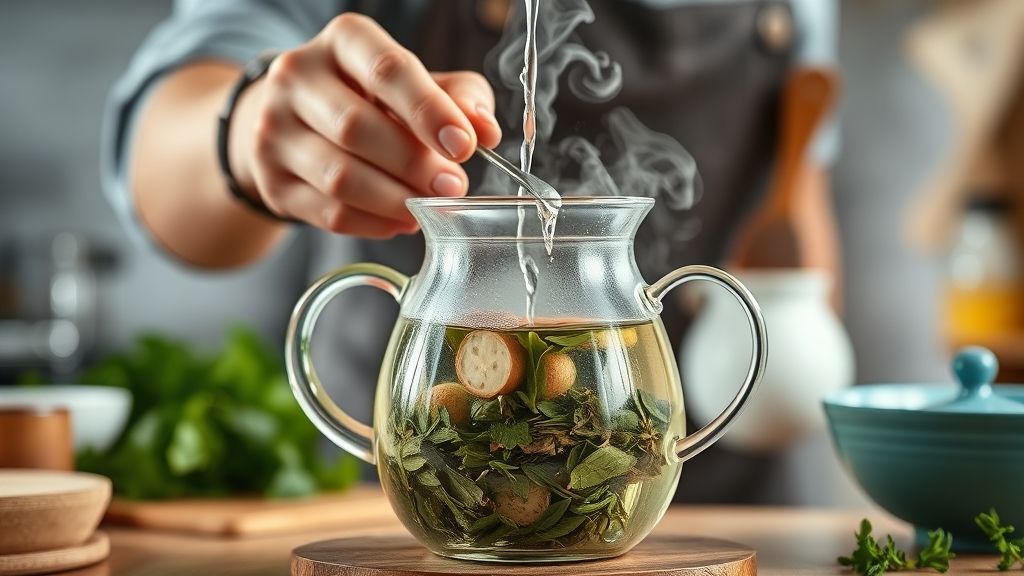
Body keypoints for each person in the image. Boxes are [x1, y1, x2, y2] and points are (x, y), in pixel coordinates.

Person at [104, 0, 839, 503]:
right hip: (419, 510)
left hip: (733, 512)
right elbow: (167, 133)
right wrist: (247, 130)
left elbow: (797, 196)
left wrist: (787, 316)